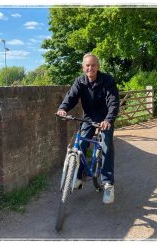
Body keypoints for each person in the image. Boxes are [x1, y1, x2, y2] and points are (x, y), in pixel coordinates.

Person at [56, 53, 119, 204]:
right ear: (83, 67)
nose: (90, 68)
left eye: (93, 65)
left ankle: (108, 184)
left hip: (105, 119)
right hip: (89, 118)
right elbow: (71, 96)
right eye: (87, 65)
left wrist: (108, 119)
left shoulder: (107, 80)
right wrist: (63, 108)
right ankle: (78, 176)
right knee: (81, 145)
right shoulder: (80, 81)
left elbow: (113, 102)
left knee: (106, 146)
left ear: (98, 66)